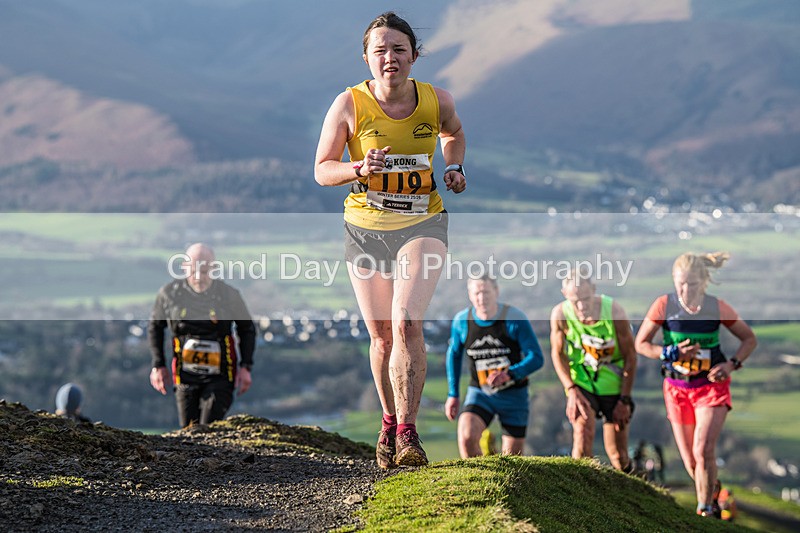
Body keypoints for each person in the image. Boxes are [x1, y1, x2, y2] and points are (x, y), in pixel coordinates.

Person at [314, 12, 466, 467]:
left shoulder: (435, 101)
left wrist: (454, 166)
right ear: (366, 58)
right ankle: (387, 420)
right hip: (364, 229)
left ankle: (408, 433)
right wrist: (359, 169)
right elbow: (323, 169)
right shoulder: (349, 104)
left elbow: (453, 133)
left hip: (423, 223)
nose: (389, 58)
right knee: (381, 337)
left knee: (405, 322)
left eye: (398, 49)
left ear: (414, 56)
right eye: (379, 50)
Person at [635, 252, 756, 518]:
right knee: (692, 461)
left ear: (703, 282)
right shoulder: (664, 305)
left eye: (691, 283)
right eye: (680, 283)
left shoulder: (717, 307)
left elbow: (749, 339)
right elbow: (641, 344)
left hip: (710, 388)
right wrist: (669, 353)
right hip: (677, 389)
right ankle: (716, 493)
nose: (684, 289)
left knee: (703, 450)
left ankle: (705, 510)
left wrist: (731, 364)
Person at [148, 243, 257, 428]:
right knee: (188, 429)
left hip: (222, 373)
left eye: (205, 270)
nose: (199, 277)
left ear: (214, 268)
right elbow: (155, 327)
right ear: (184, 267)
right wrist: (158, 365)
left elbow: (247, 329)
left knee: (209, 426)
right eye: (193, 270)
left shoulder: (228, 295)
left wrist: (246, 366)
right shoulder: (169, 295)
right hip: (185, 374)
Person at [444, 275, 544, 457]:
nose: (482, 298)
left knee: (512, 460)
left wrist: (510, 374)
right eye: (477, 293)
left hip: (514, 395)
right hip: (481, 393)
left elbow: (536, 357)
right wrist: (453, 394)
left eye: (486, 292)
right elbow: (454, 355)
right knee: (467, 437)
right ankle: (476, 482)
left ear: (496, 292)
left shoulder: (514, 318)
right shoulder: (462, 321)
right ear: (470, 295)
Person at [550, 271, 637, 472]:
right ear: (564, 294)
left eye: (586, 298)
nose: (581, 306)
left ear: (594, 290)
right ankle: (580, 490)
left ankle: (630, 495)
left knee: (618, 454)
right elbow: (558, 354)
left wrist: (624, 399)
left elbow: (630, 357)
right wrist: (570, 388)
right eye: (575, 300)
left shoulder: (614, 312)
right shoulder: (561, 314)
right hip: (582, 383)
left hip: (614, 385)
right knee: (582, 431)